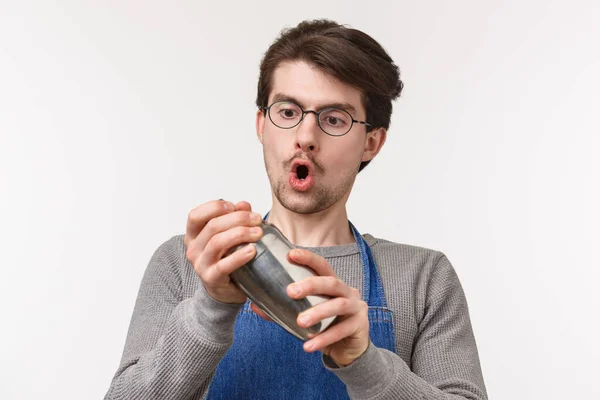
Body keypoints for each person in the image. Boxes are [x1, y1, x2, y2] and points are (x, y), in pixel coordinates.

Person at [105, 19, 487, 400]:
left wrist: (364, 361)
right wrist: (212, 306)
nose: (305, 137)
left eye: (334, 119)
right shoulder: (187, 261)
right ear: (261, 125)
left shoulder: (424, 278)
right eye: (288, 112)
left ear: (371, 143)